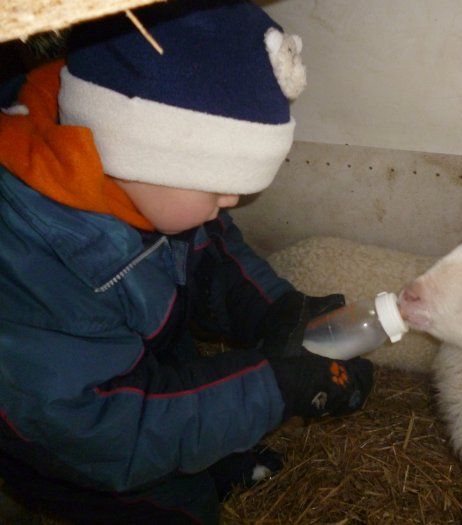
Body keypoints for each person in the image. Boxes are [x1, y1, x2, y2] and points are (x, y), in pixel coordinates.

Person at [0, 1, 374, 523]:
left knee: (195, 403)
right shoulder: (28, 262)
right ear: (138, 152)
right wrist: (274, 387)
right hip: (76, 452)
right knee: (180, 509)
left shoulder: (145, 188)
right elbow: (101, 432)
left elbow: (213, 256)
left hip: (145, 367)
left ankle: (205, 459)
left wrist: (276, 311)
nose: (231, 202)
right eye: (219, 185)